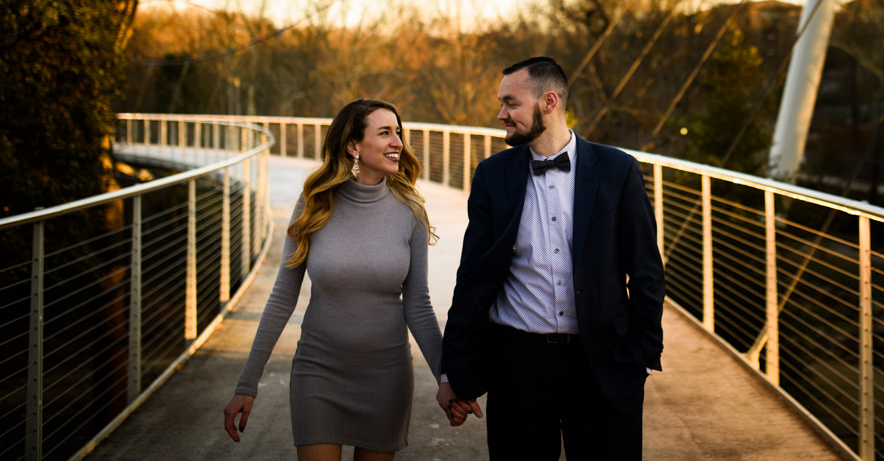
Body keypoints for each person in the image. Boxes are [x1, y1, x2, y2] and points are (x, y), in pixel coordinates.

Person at [438, 57, 666, 461]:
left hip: (602, 366)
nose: (500, 114)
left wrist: (640, 359)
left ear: (549, 102)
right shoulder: (492, 175)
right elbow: (472, 277)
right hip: (517, 367)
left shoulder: (618, 170)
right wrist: (455, 372)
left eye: (511, 103)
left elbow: (647, 272)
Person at [222, 99, 459, 461]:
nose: (398, 141)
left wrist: (447, 379)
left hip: (386, 377)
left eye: (399, 132)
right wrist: (246, 384)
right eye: (384, 133)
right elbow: (282, 297)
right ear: (353, 146)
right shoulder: (314, 204)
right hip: (319, 373)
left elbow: (418, 305)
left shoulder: (410, 211)